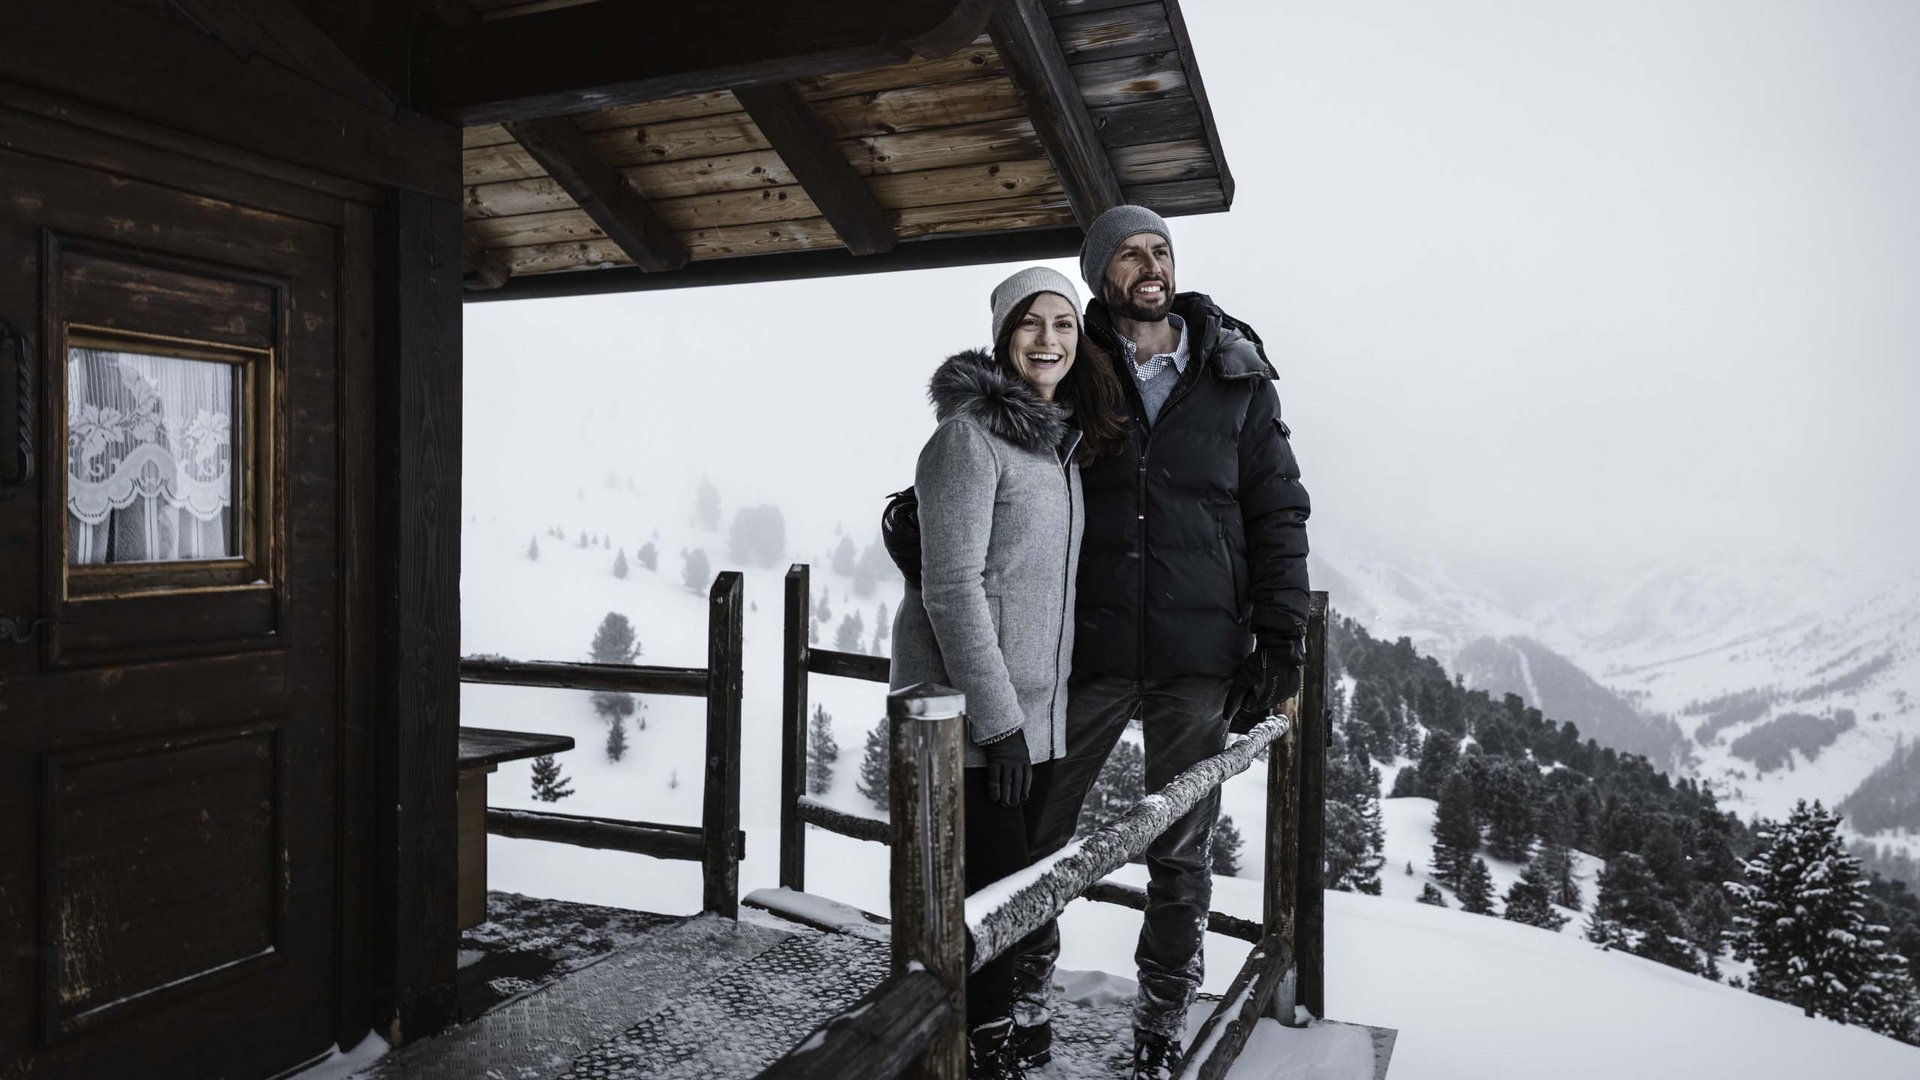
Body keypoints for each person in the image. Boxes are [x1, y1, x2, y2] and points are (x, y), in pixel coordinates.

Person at [1008, 206, 1312, 1080]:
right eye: (1131, 254)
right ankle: (1025, 1004)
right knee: (1039, 838)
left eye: (1161, 251)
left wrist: (1280, 633)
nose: (1150, 265)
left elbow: (1277, 508)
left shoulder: (1236, 374)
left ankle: (1159, 1022)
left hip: (1197, 658)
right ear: (1102, 274)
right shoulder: (1070, 363)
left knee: (1179, 854)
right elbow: (1006, 451)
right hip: (1085, 649)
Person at [889, 266, 1126, 1080]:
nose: (1049, 341)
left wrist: (1034, 726)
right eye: (1032, 324)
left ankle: (985, 1049)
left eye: (1063, 324)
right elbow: (951, 587)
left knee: (1009, 908)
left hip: (1034, 720)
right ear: (1002, 337)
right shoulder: (969, 438)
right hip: (974, 722)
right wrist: (999, 727)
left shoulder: (1057, 448)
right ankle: (974, 1057)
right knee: (975, 912)